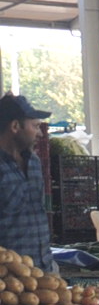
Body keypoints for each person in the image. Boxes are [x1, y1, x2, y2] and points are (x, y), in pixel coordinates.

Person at [0, 94, 54, 270]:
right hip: (8, 274)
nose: (40, 133)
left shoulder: (34, 162)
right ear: (15, 126)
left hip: (42, 268)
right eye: (35, 126)